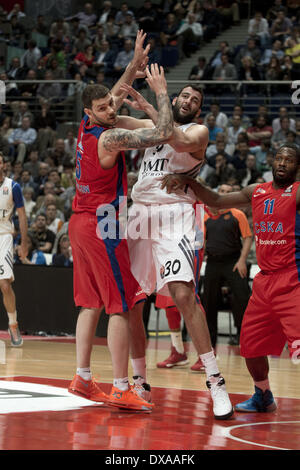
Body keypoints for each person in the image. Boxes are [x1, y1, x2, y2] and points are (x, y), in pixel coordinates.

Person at [67, 31, 173, 412]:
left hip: (79, 221)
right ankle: (119, 386)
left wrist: (133, 65)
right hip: (102, 224)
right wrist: (160, 91)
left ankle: (81, 377)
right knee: (120, 305)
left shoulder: (86, 125)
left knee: (90, 304)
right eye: (105, 109)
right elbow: (162, 132)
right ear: (90, 113)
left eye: (111, 106)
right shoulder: (110, 138)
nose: (111, 111)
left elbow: (113, 93)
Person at [122, 82, 234, 420]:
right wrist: (135, 99)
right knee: (132, 301)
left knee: (183, 294)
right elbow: (114, 121)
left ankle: (215, 380)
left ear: (198, 109)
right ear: (176, 99)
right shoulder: (153, 127)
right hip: (140, 213)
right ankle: (139, 381)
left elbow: (178, 139)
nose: (189, 101)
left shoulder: (198, 131)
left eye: (194, 99)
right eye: (184, 95)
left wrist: (154, 100)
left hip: (175, 215)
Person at [162, 143, 300, 413]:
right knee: (250, 345)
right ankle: (262, 395)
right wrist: (189, 181)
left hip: (293, 279)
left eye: (290, 160)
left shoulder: (296, 192)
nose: (283, 163)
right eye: (279, 158)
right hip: (264, 282)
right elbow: (215, 200)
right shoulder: (256, 191)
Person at [202, 184, 252, 348]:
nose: (225, 194)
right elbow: (202, 241)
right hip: (213, 262)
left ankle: (244, 337)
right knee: (208, 301)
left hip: (233, 261)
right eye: (222, 191)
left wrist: (242, 260)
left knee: (243, 297)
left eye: (229, 192)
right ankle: (210, 340)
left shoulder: (237, 214)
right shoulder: (207, 216)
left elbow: (248, 238)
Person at [0, 151, 28, 347]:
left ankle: (13, 324)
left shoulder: (13, 187)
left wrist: (24, 242)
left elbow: (22, 216)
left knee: (4, 284)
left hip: (4, 237)